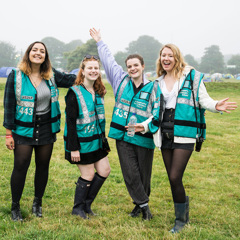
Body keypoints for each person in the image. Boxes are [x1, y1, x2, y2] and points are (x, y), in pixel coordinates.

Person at [139, 43, 237, 232]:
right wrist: (143, 126)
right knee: (172, 178)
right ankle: (183, 207)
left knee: (176, 176)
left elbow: (203, 99)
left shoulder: (191, 77)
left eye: (170, 55)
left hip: (184, 134)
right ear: (160, 59)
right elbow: (154, 112)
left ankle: (181, 221)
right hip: (165, 134)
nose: (166, 58)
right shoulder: (157, 82)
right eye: (163, 55)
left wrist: (215, 105)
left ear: (176, 57)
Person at [90, 28, 162, 220]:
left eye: (135, 65)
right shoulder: (120, 80)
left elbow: (157, 111)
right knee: (130, 172)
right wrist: (99, 42)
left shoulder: (153, 87)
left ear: (143, 66)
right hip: (123, 136)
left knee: (144, 174)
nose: (132, 69)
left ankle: (138, 204)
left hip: (144, 138)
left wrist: (146, 126)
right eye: (129, 66)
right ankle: (145, 207)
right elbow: (108, 61)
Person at [3, 41, 76, 221]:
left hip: (46, 129)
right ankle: (15, 207)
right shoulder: (16, 76)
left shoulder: (51, 75)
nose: (38, 53)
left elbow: (74, 80)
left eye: (42, 51)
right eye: (34, 50)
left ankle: (37, 203)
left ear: (45, 56)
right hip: (23, 130)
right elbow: (9, 105)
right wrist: (8, 134)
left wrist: (91, 68)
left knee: (42, 167)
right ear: (28, 53)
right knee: (20, 166)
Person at [64, 55, 111, 219]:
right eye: (89, 68)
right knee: (88, 174)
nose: (93, 71)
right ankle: (77, 209)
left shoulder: (99, 92)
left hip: (97, 142)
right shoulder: (74, 93)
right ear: (82, 71)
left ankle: (86, 204)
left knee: (105, 170)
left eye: (96, 68)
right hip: (80, 144)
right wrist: (73, 148)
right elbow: (70, 123)